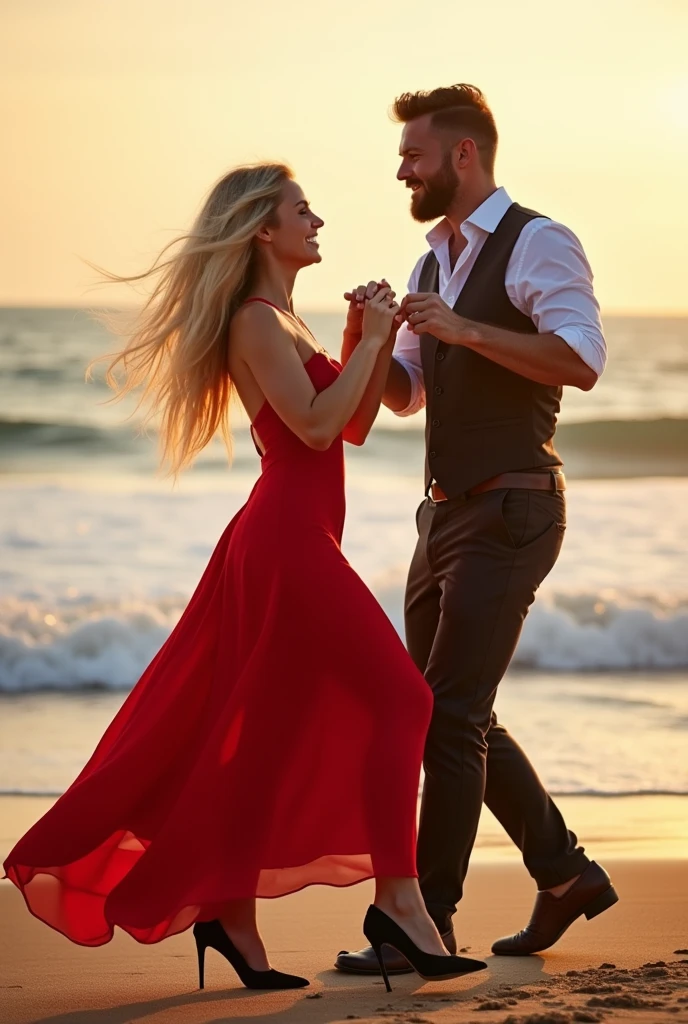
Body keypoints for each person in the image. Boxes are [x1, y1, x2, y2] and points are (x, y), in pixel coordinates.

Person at [3, 162, 487, 992]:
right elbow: (307, 428)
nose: (318, 220)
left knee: (262, 738)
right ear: (264, 229)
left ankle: (232, 914)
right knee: (404, 699)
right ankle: (400, 901)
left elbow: (355, 426)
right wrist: (371, 343)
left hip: (301, 542)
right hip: (285, 544)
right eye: (304, 210)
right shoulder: (255, 321)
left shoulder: (289, 323)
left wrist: (355, 342)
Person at [336, 85, 618, 976]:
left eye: (413, 155)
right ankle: (564, 873)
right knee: (443, 712)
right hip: (446, 514)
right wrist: (371, 335)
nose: (401, 170)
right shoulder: (427, 267)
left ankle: (427, 923)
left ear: (464, 156)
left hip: (516, 506)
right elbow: (406, 395)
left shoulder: (539, 240)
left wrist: (463, 326)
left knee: (450, 715)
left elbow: (581, 360)